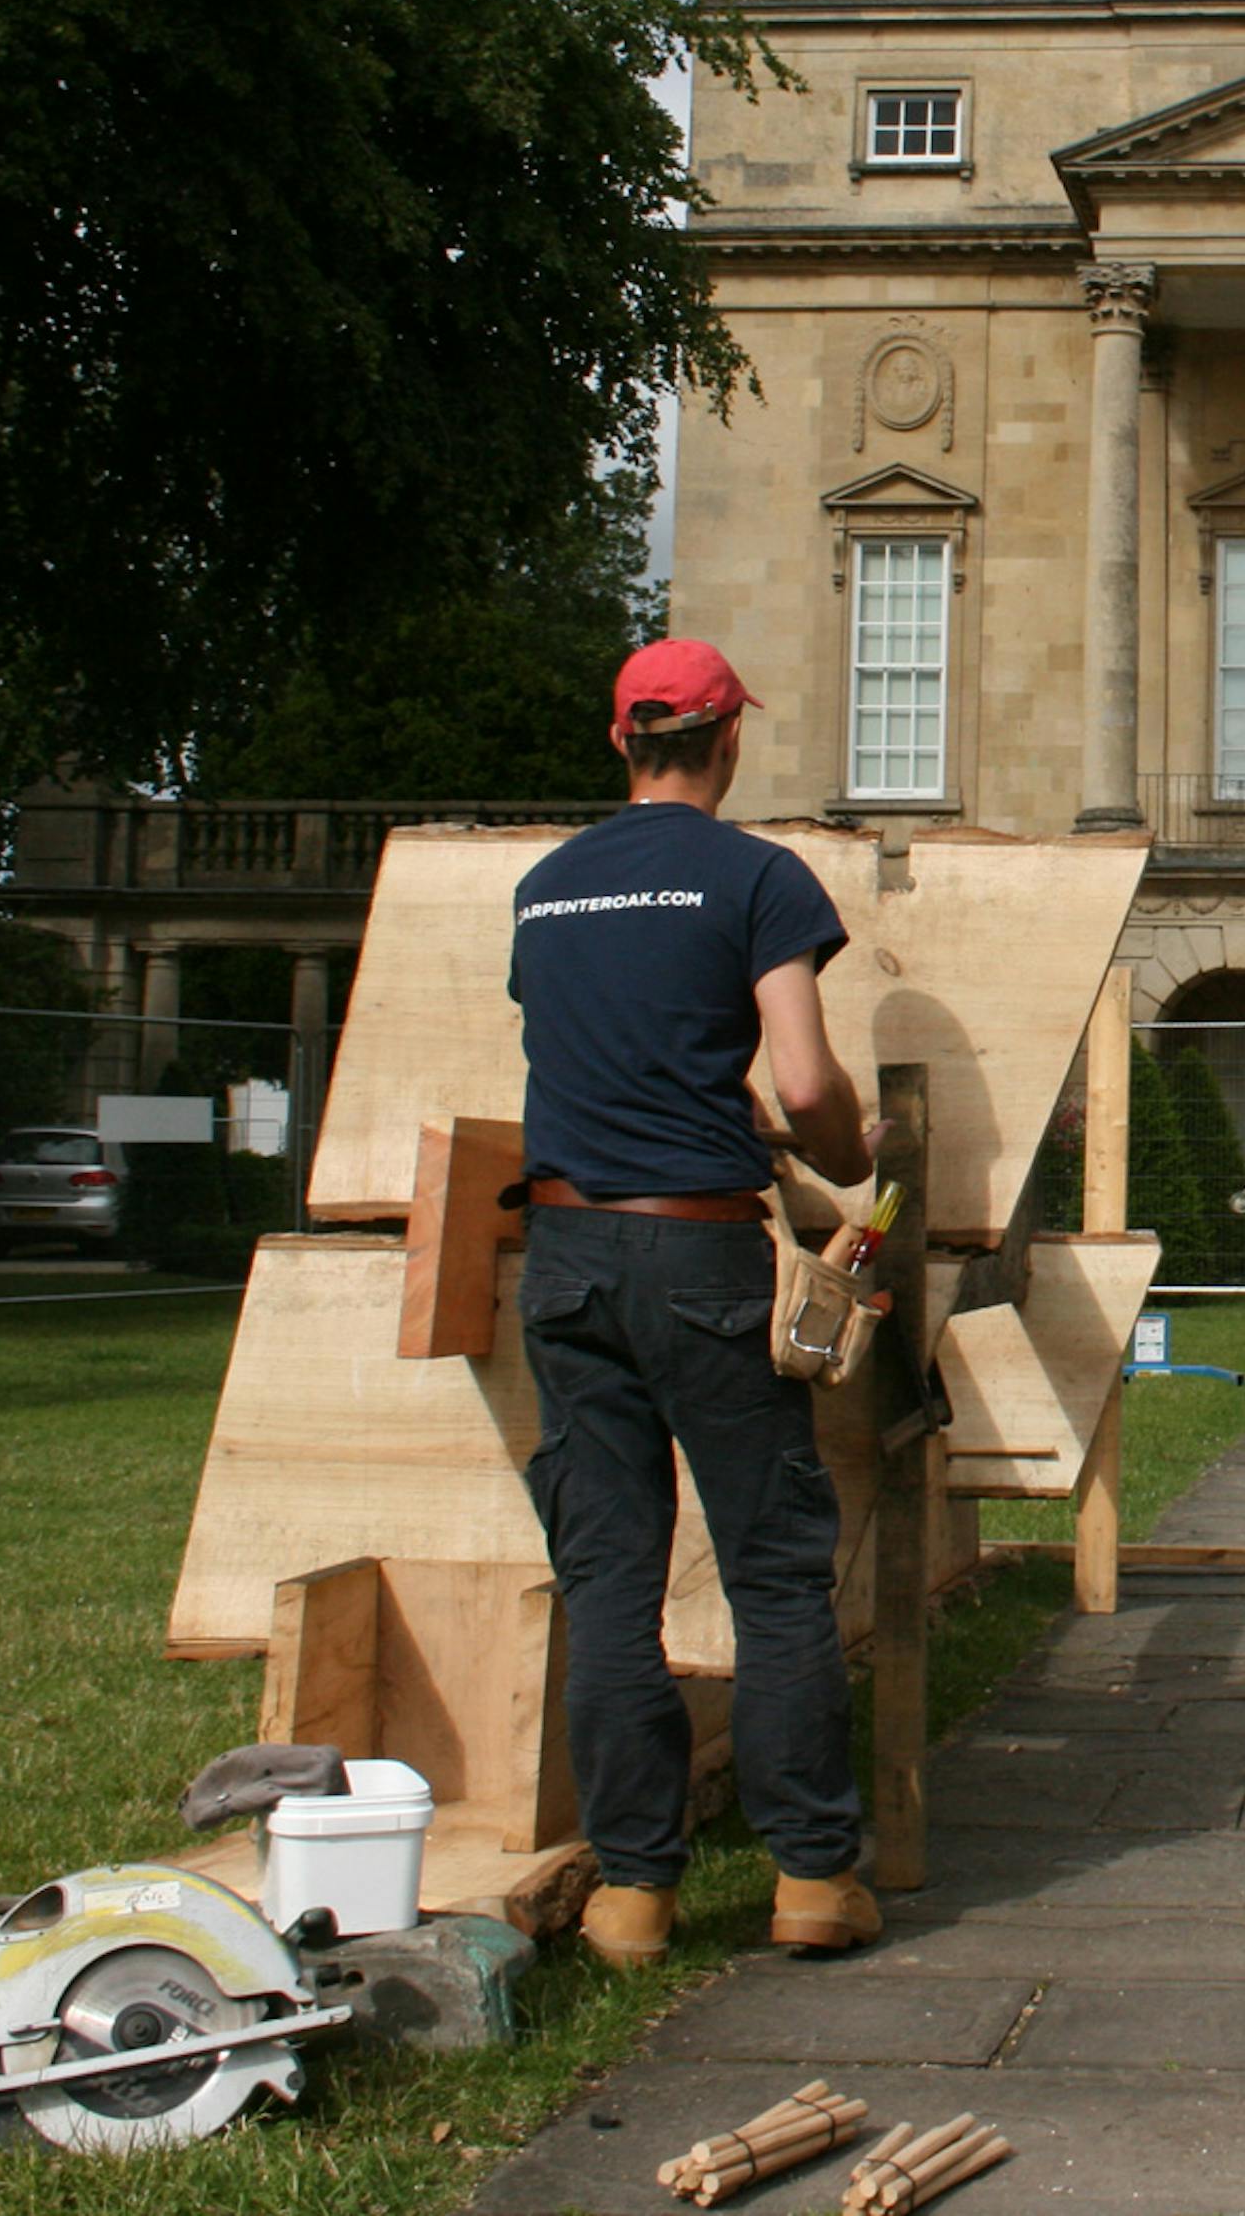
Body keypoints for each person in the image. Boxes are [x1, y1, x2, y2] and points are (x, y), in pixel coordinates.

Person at [508, 636, 885, 1970]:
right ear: (727, 742)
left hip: (562, 1255)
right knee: (775, 1575)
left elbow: (617, 1061)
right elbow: (800, 1080)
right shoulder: (759, 878)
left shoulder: (545, 890)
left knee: (609, 1579)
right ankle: (810, 1881)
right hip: (699, 1262)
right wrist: (846, 1154)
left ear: (624, 742)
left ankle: (635, 1897)